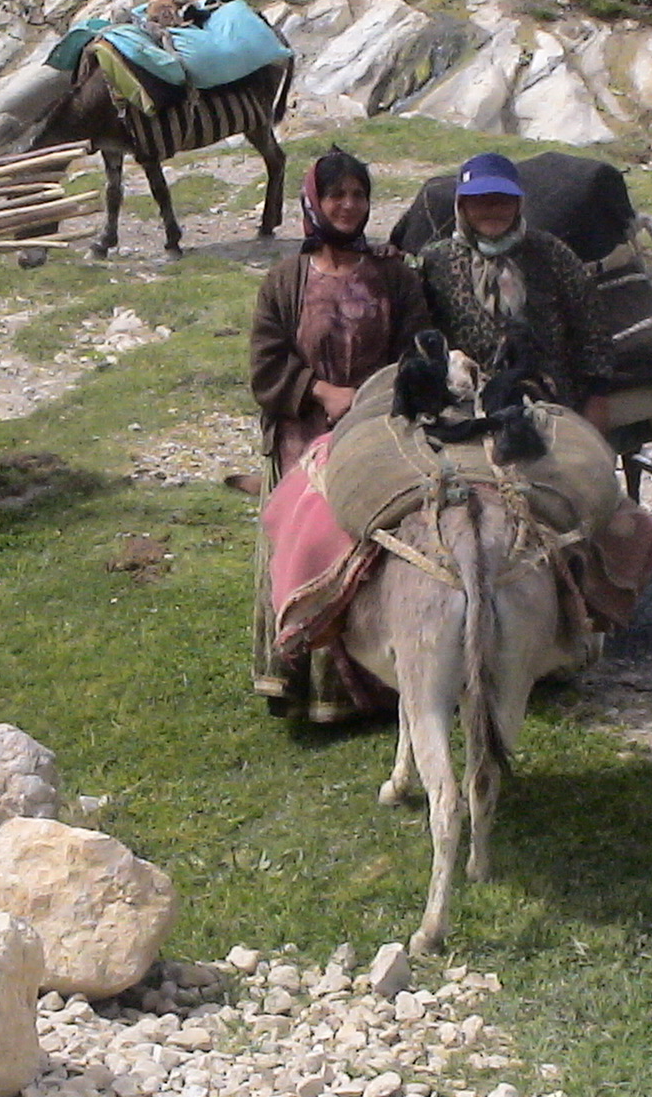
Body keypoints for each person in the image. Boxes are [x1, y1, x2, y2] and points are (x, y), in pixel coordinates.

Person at [249, 146, 430, 721]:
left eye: (358, 195)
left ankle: (368, 686)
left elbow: (420, 347)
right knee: (307, 546)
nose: (348, 206)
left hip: (379, 430)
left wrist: (380, 398)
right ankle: (302, 681)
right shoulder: (287, 279)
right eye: (336, 195)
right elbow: (266, 359)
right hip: (304, 433)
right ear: (314, 202)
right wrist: (323, 393)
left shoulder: (394, 275)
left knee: (373, 550)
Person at [419, 152, 614, 432]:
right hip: (463, 404)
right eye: (480, 201)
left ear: (519, 203)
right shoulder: (435, 262)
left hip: (550, 403)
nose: (492, 209)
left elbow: (591, 328)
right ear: (461, 206)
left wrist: (597, 397)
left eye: (502, 200)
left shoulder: (551, 253)